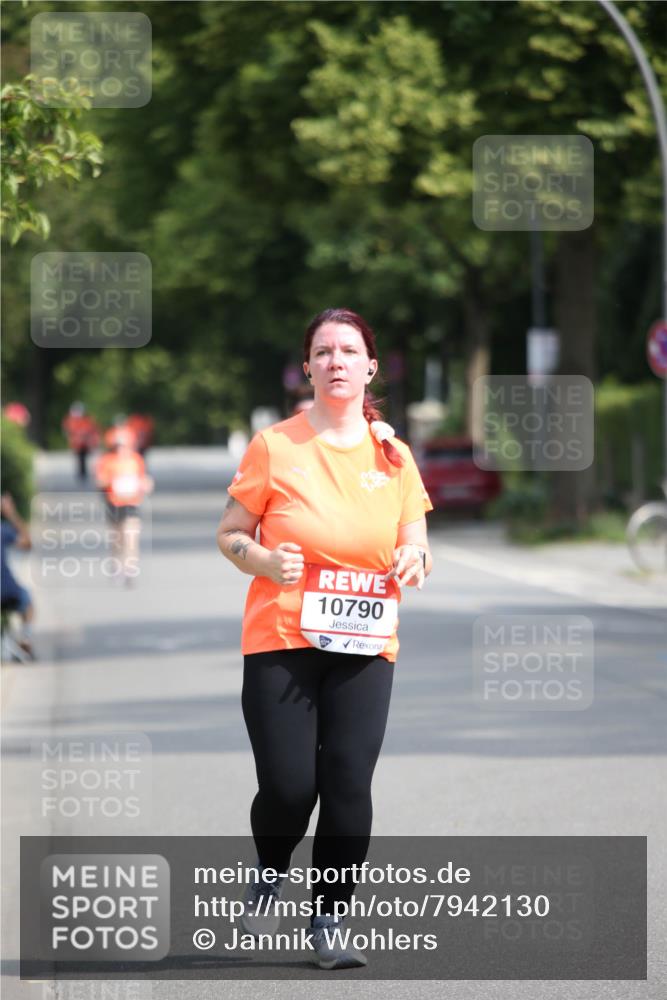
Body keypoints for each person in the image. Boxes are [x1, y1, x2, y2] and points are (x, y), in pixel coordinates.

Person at [216, 308, 433, 970]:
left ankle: (329, 919)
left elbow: (414, 536)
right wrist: (259, 560)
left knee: (346, 781)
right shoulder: (274, 446)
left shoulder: (393, 455)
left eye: (348, 351)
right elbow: (230, 532)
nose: (335, 361)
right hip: (280, 633)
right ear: (306, 368)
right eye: (322, 351)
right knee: (288, 787)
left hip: (365, 639)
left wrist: (414, 559)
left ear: (370, 368)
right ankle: (270, 865)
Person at [95, 428, 153, 586]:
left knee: (131, 536)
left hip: (131, 503)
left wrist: (145, 485)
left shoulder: (136, 460)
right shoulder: (107, 461)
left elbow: (144, 480)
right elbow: (99, 481)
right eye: (118, 445)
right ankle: (117, 566)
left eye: (124, 444)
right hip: (113, 503)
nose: (121, 448)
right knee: (117, 538)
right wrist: (112, 481)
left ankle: (129, 569)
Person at [1, 493, 35, 658]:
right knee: (27, 601)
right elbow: (27, 543)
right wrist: (11, 513)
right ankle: (25, 641)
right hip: (7, 590)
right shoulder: (2, 530)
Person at [62, 402, 100, 482]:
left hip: (85, 443)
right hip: (76, 443)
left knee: (84, 458)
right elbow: (67, 430)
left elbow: (92, 430)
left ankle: (84, 473)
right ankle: (81, 473)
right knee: (79, 458)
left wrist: (92, 441)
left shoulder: (86, 420)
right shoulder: (70, 420)